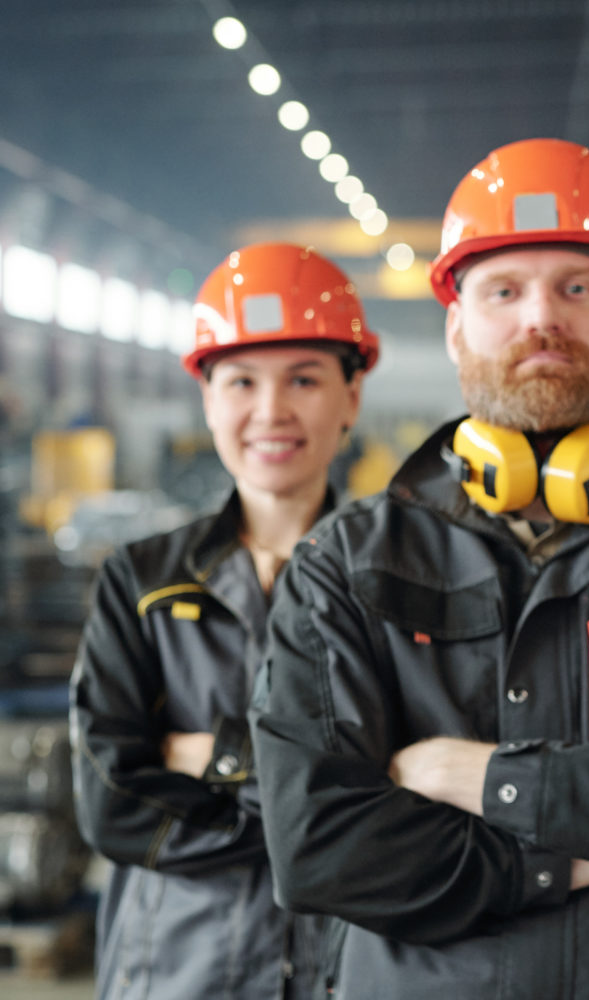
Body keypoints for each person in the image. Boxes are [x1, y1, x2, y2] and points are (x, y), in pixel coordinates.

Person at [248, 138, 589, 999]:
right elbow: (320, 848)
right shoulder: (347, 564)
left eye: (576, 287)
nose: (538, 317)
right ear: (455, 325)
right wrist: (574, 857)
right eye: (503, 291)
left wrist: (469, 777)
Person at [70, 242, 377, 999]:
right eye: (242, 381)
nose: (271, 411)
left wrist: (214, 757)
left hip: (346, 968)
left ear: (351, 397)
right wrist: (312, 818)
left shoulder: (394, 584)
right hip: (175, 971)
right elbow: (112, 801)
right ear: (209, 400)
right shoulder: (141, 581)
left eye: (304, 379)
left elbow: (409, 796)